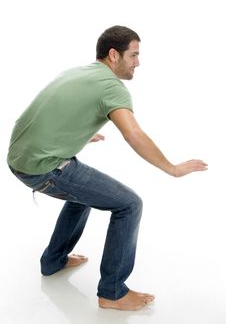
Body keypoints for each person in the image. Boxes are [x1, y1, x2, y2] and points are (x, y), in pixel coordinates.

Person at [7, 25, 208, 311]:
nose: (138, 62)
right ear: (114, 55)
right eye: (134, 55)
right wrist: (172, 168)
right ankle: (113, 292)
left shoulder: (80, 72)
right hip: (43, 168)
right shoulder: (113, 88)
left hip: (19, 159)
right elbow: (133, 135)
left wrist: (77, 133)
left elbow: (52, 108)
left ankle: (53, 261)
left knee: (85, 196)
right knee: (129, 204)